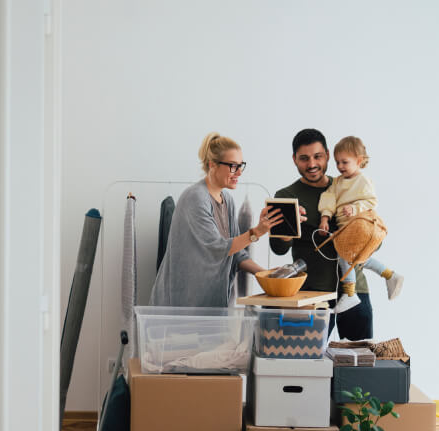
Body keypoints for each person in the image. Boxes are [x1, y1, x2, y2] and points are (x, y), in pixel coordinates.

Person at [150, 132, 284, 307]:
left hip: (211, 303)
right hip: (182, 304)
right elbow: (218, 249)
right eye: (232, 166)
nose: (239, 173)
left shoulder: (227, 200)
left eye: (241, 166)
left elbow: (236, 253)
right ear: (212, 164)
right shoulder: (195, 198)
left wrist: (267, 275)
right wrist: (256, 232)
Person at [269, 128, 373, 340]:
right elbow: (278, 248)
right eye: (304, 158)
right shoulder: (286, 196)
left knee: (358, 368)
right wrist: (289, 228)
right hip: (310, 293)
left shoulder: (348, 186)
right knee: (308, 366)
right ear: (294, 160)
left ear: (327, 154)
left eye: (318, 156)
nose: (312, 164)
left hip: (355, 290)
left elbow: (374, 237)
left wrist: (363, 236)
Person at [318, 136, 403, 314]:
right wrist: (325, 218)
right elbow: (329, 198)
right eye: (337, 162)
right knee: (358, 259)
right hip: (343, 229)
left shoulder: (363, 181)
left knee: (345, 257)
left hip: (358, 227)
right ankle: (389, 275)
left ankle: (350, 294)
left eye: (345, 162)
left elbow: (371, 201)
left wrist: (355, 208)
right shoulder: (338, 182)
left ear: (359, 160)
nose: (340, 166)